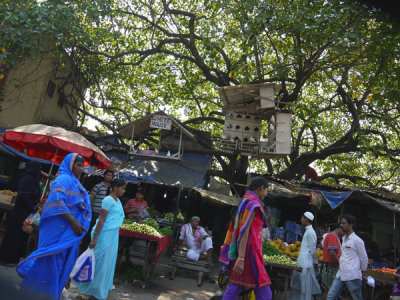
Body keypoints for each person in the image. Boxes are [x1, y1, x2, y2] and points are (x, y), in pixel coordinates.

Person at [17, 153, 91, 300]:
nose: (81, 169)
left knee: (59, 263)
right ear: (70, 165)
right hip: (58, 231)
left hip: (67, 232)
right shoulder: (63, 179)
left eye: (83, 166)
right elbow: (57, 201)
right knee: (50, 261)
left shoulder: (75, 182)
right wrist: (73, 220)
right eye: (78, 165)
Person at [219, 177, 272, 300]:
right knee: (265, 295)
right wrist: (241, 258)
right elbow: (244, 231)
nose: (266, 194)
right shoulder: (253, 204)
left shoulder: (246, 200)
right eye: (266, 190)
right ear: (261, 188)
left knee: (234, 287)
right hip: (249, 255)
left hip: (246, 253)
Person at [73, 178, 126, 300]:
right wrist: (94, 238)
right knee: (97, 263)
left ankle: (97, 291)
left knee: (106, 264)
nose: (124, 191)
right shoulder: (108, 200)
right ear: (115, 188)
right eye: (122, 188)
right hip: (103, 235)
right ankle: (87, 290)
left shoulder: (117, 201)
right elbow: (101, 220)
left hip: (112, 236)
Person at [0, 161, 41, 265]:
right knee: (15, 235)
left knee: (21, 235)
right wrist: (32, 206)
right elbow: (23, 194)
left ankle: (13, 259)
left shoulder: (30, 179)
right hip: (21, 212)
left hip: (24, 212)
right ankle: (7, 258)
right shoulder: (28, 179)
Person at [326, 214, 368, 300]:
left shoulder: (357, 241)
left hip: (352, 275)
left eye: (344, 223)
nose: (341, 225)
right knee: (330, 296)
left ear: (351, 225)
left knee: (357, 298)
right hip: (341, 273)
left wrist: (363, 271)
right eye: (341, 223)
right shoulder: (343, 239)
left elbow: (364, 258)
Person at [289, 211, 321, 300]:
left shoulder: (311, 232)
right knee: (300, 288)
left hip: (306, 264)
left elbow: (312, 250)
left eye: (302, 218)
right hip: (302, 263)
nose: (301, 219)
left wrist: (315, 263)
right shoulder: (308, 231)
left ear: (305, 220)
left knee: (305, 288)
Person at [80, 170, 113, 252]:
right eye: (107, 175)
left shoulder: (111, 189)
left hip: (105, 214)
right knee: (91, 231)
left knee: (99, 233)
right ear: (104, 176)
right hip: (96, 212)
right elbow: (91, 198)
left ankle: (94, 251)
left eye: (110, 176)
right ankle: (84, 250)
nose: (109, 177)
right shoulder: (98, 186)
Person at [321, 224, 345, 299]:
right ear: (340, 229)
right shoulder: (332, 236)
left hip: (330, 267)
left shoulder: (335, 237)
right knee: (329, 291)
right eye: (344, 231)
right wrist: (339, 264)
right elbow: (332, 252)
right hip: (330, 268)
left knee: (330, 291)